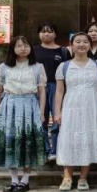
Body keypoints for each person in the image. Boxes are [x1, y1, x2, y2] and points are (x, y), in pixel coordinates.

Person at [0, 36, 47, 192]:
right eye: (19, 46)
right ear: (12, 49)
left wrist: (41, 112)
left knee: (28, 142)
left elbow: (42, 92)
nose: (23, 48)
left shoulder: (37, 67)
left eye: (26, 45)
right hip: (9, 106)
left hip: (30, 106)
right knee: (10, 142)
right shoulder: (3, 68)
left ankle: (25, 180)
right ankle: (14, 180)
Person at [54, 33, 97, 191]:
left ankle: (83, 177)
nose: (82, 44)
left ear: (90, 45)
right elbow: (59, 92)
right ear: (71, 44)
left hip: (92, 107)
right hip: (71, 107)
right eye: (78, 41)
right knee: (68, 139)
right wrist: (57, 112)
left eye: (85, 42)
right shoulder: (64, 66)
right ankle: (67, 177)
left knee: (88, 139)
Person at [33, 23, 70, 161]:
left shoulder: (63, 51)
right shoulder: (33, 51)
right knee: (40, 119)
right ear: (39, 34)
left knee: (57, 119)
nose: (46, 34)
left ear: (55, 34)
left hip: (57, 87)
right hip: (38, 87)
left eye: (50, 31)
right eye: (43, 31)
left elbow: (68, 70)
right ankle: (44, 150)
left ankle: (55, 150)